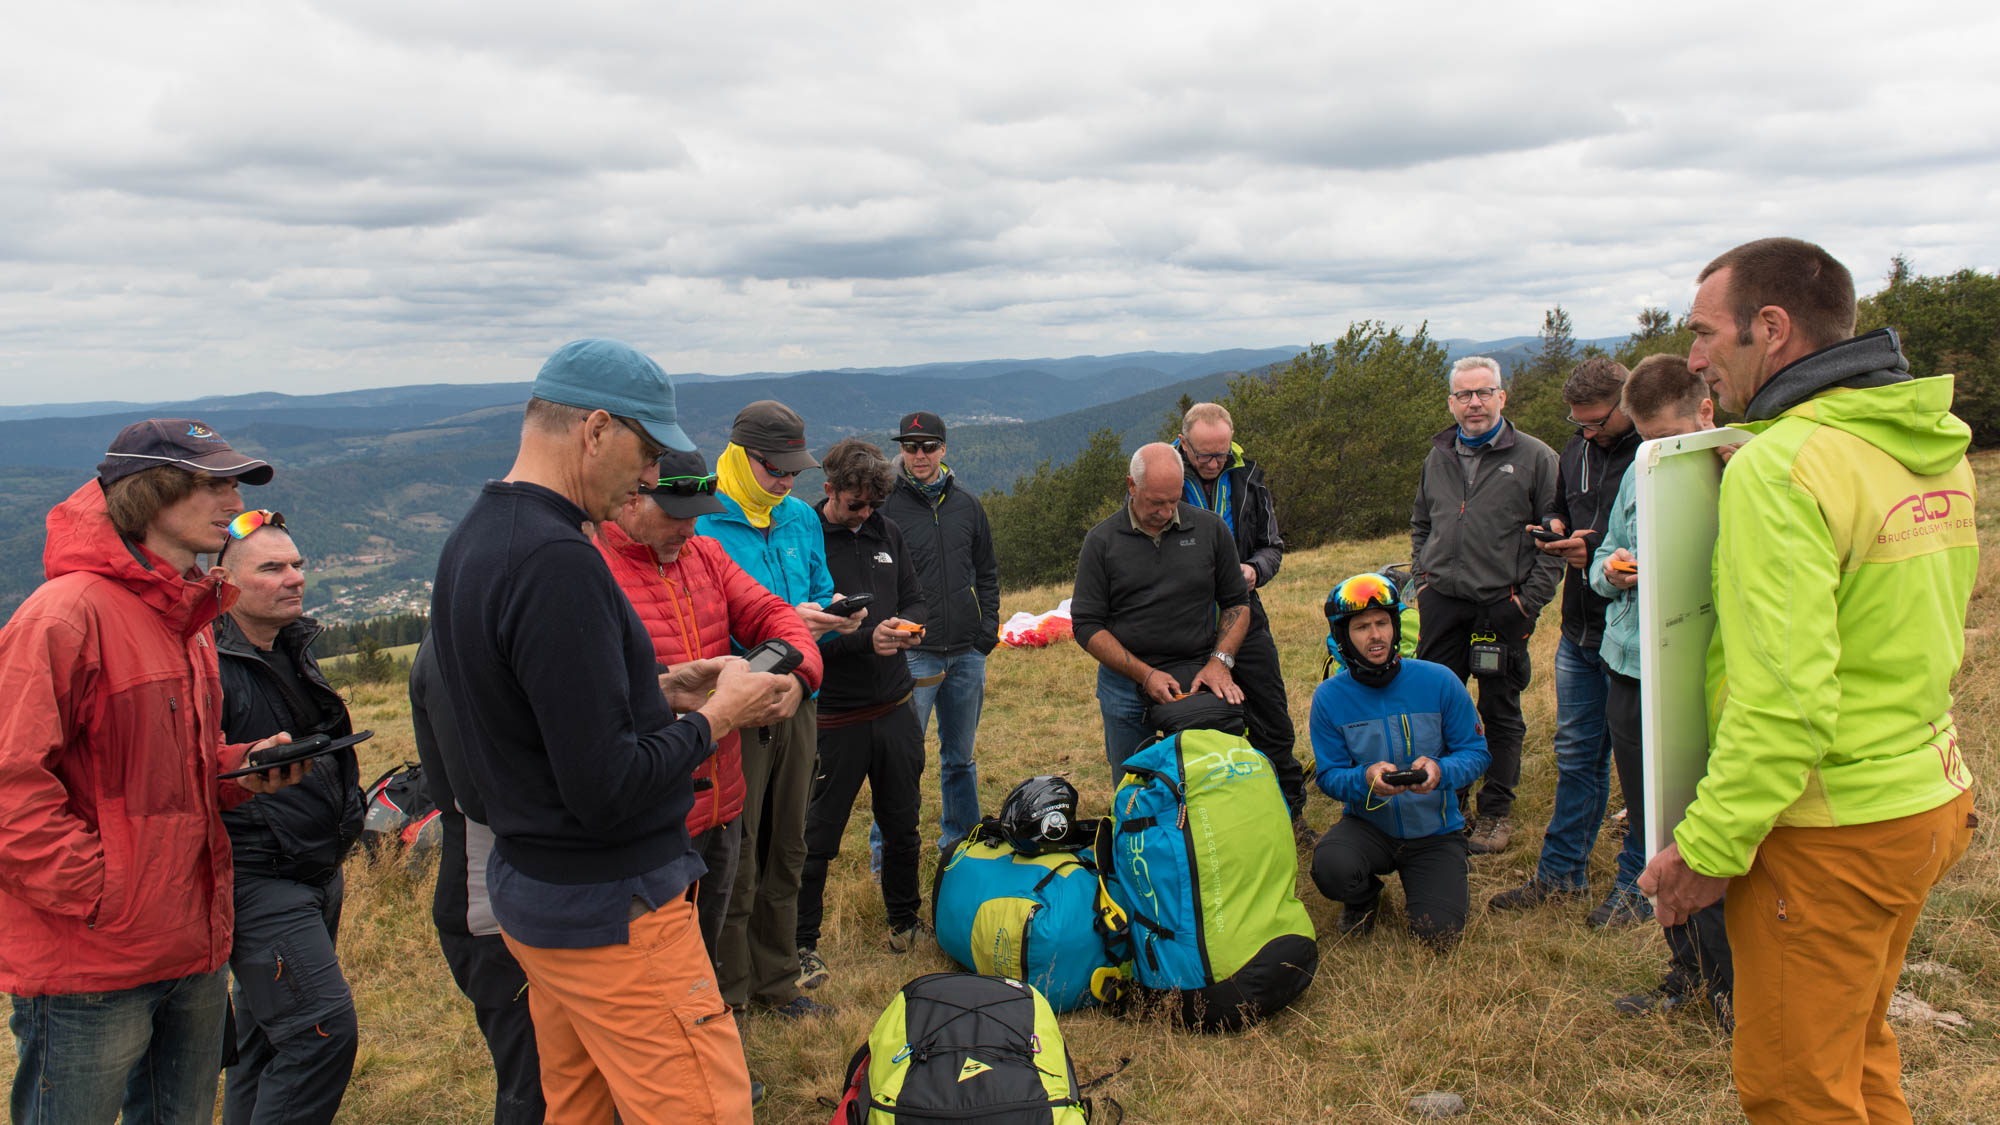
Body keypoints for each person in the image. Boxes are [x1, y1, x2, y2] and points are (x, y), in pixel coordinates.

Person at [1640, 238, 1978, 1123]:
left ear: (1773, 327)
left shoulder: (1783, 471)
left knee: (1795, 1091)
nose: (1696, 358)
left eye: (1706, 334)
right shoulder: (1923, 445)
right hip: (1924, 799)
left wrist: (1707, 849)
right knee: (1859, 1051)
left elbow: (1783, 705)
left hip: (1829, 831)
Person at [429, 338, 789, 1123]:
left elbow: (534, 716)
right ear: (596, 429)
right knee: (705, 1108)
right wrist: (719, 716)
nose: (650, 476)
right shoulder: (560, 560)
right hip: (613, 905)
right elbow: (605, 786)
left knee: (581, 1106)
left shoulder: (478, 537)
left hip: (540, 896)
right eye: (647, 450)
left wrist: (660, 692)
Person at [0, 419, 304, 1124]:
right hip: (91, 963)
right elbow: (10, 789)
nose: (232, 499)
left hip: (189, 946)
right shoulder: (65, 616)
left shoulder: (183, 612)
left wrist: (237, 770)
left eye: (235, 481)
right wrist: (104, 891)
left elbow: (156, 774)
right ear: (151, 494)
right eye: (214, 482)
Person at [595, 447, 824, 962]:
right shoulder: (592, 569)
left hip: (723, 799)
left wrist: (800, 677)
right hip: (653, 817)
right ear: (632, 498)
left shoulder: (706, 557)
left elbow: (774, 615)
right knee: (658, 967)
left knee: (712, 949)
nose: (690, 528)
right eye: (676, 514)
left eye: (699, 515)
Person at [696, 399, 859, 1021]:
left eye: (795, 471)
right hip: (737, 708)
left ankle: (778, 981)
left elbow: (816, 591)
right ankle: (729, 992)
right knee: (737, 853)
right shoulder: (705, 524)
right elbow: (708, 631)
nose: (788, 482)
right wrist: (784, 640)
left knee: (789, 842)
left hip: (800, 697)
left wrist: (832, 615)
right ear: (742, 456)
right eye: (776, 470)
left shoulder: (798, 519)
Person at [1587, 355, 1733, 1031]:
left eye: (1668, 435)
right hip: (1631, 668)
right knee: (1656, 827)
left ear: (1705, 410)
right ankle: (1690, 969)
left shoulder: (1744, 467)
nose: (1657, 451)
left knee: (1711, 829)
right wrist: (1612, 572)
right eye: (1645, 439)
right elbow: (1603, 556)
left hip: (1705, 678)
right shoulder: (1642, 472)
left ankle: (1735, 979)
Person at [213, 512, 364, 1125]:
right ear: (223, 580)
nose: (294, 578)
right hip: (259, 876)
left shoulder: (288, 645)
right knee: (319, 1031)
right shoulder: (209, 662)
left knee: (263, 1044)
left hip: (315, 869)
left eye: (297, 564)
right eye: (272, 568)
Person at [1489, 357, 1647, 922]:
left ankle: (1638, 885)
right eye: (1576, 421)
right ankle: (1560, 876)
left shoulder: (1654, 455)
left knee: (1640, 769)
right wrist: (1556, 530)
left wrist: (1598, 549)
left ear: (1628, 403)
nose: (1585, 431)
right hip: (1579, 629)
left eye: (1596, 421)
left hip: (1635, 637)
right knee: (1577, 754)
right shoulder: (1576, 451)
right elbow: (1558, 507)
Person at [1409, 356, 1562, 854]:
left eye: (1483, 392)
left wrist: (1526, 605)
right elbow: (1421, 523)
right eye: (1463, 395)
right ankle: (1450, 799)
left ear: (1502, 396)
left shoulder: (1537, 458)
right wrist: (1423, 579)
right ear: (1450, 402)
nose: (1474, 403)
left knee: (1498, 710)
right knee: (1439, 706)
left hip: (1502, 608)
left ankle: (1495, 812)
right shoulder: (1439, 454)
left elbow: (1555, 542)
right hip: (1443, 604)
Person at [795, 440, 929, 991]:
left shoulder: (886, 533)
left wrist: (903, 626)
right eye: (855, 504)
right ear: (829, 490)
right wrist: (859, 642)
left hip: (896, 708)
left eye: (873, 504)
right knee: (817, 837)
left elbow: (918, 600)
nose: (864, 513)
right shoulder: (803, 538)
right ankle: (801, 944)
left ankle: (904, 922)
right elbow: (795, 633)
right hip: (836, 717)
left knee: (902, 824)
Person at [1308, 573, 1489, 948]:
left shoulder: (1440, 681)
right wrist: (1364, 778)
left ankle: (1432, 884)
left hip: (1436, 833)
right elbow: (1328, 776)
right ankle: (1364, 897)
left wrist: (1442, 771)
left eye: (1382, 623)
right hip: (1368, 827)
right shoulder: (1328, 698)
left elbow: (1477, 754)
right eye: (1361, 627)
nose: (1375, 635)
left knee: (1438, 936)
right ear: (1343, 637)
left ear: (1394, 626)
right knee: (1331, 868)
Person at [409, 635, 547, 1125]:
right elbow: (481, 795)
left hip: (535, 898)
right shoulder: (454, 654)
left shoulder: (496, 643)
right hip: (489, 909)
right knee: (531, 1083)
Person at [1071, 443, 1251, 776]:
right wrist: (1144, 674)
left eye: (1174, 500)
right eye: (1156, 503)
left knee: (1208, 777)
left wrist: (1220, 662)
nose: (1167, 512)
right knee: (1134, 783)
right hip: (1124, 686)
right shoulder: (1101, 542)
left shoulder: (1211, 529)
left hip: (1198, 676)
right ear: (1131, 486)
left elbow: (1236, 602)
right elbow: (1086, 624)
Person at [1173, 402, 1310, 833]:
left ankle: (1291, 814)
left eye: (1222, 454)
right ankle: (1220, 820)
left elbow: (1272, 546)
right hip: (1186, 624)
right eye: (1204, 455)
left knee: (1272, 716)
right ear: (1183, 445)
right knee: (1206, 723)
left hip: (1246, 616)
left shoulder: (1248, 477)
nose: (1214, 464)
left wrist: (1255, 569)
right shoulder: (1161, 478)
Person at [877, 410, 999, 866]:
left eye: (929, 446)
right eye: (911, 447)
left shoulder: (967, 505)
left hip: (967, 651)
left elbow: (986, 570)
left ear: (944, 449)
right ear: (901, 452)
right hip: (914, 655)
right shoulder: (886, 505)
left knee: (960, 759)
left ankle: (963, 850)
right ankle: (886, 859)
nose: (919, 455)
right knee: (901, 764)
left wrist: (989, 629)